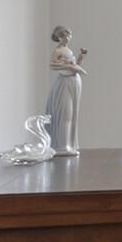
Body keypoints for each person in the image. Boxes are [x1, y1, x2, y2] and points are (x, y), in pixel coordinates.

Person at [45, 26, 87, 156]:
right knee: (65, 113)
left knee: (73, 113)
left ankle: (69, 144)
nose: (66, 37)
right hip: (65, 82)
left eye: (68, 34)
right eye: (63, 35)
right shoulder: (57, 51)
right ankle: (62, 146)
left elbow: (76, 66)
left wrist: (80, 58)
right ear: (58, 37)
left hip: (74, 81)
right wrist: (70, 66)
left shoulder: (68, 50)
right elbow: (53, 65)